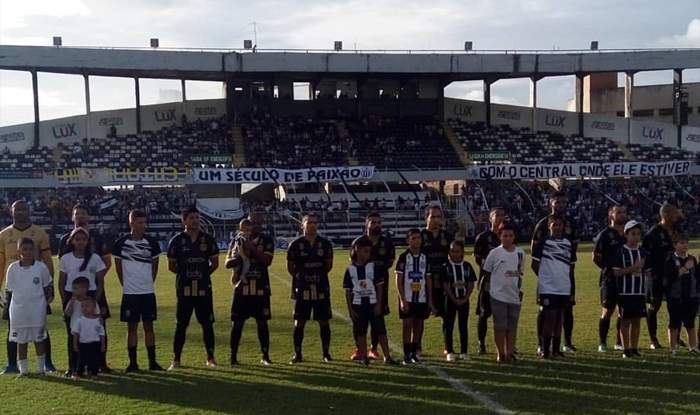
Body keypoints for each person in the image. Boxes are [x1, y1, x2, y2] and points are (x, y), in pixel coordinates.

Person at [0, 200, 56, 374]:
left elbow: (47, 261)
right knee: (13, 328)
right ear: (12, 212)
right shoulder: (3, 234)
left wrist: (49, 286)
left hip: (36, 288)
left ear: (29, 211)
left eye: (24, 209)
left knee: (41, 328)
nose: (20, 212)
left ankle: (47, 363)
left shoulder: (39, 233)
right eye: (17, 209)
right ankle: (12, 365)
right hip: (15, 290)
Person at [58, 204, 112, 372]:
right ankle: (73, 366)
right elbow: (63, 275)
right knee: (73, 330)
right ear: (72, 217)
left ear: (88, 216)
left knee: (98, 326)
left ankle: (100, 364)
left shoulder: (97, 238)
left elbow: (105, 264)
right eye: (77, 214)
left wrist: (94, 292)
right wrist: (65, 298)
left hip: (93, 291)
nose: (80, 216)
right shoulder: (64, 241)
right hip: (72, 293)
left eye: (83, 213)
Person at [167, 207, 219, 370]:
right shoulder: (176, 240)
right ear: (184, 220)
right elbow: (171, 266)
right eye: (191, 218)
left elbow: (215, 264)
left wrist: (201, 274)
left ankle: (210, 358)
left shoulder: (208, 239)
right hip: (184, 289)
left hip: (204, 288)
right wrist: (186, 275)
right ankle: (176, 360)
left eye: (197, 217)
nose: (195, 220)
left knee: (207, 324)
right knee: (181, 325)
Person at [113, 209, 164, 372]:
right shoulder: (121, 243)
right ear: (131, 223)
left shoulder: (152, 243)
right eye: (140, 222)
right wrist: (126, 285)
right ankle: (133, 363)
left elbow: (155, 266)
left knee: (149, 327)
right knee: (132, 328)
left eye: (144, 222)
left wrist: (148, 283)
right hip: (130, 293)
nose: (143, 225)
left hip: (147, 292)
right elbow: (118, 268)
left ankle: (152, 362)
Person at [531, 191, 579, 353]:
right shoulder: (543, 224)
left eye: (563, 202)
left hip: (565, 278)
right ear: (550, 203)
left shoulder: (571, 223)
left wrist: (564, 275)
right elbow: (534, 256)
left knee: (567, 310)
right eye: (557, 202)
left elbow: (572, 254)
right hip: (548, 280)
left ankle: (567, 342)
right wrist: (546, 276)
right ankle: (541, 344)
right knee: (545, 311)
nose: (560, 205)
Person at [226, 213, 274, 366]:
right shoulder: (236, 240)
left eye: (258, 223)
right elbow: (227, 263)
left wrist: (251, 248)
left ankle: (265, 356)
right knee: (237, 324)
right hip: (242, 289)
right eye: (252, 223)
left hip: (261, 288)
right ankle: (233, 357)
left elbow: (267, 261)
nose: (255, 226)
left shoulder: (266, 240)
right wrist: (242, 256)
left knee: (262, 323)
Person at [287, 213, 334, 364]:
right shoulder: (295, 244)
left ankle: (326, 353)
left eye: (314, 222)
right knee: (299, 321)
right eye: (309, 222)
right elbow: (291, 268)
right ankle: (297, 354)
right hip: (302, 288)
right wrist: (303, 277)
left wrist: (316, 275)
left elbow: (328, 265)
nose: (312, 225)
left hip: (321, 287)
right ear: (303, 225)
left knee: (324, 321)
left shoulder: (325, 244)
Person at [343, 236, 395, 366]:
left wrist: (379, 304)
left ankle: (387, 356)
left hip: (373, 305)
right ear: (357, 250)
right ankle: (364, 357)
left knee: (381, 331)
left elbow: (379, 287)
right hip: (358, 306)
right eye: (365, 251)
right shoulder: (350, 270)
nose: (368, 254)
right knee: (361, 332)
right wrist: (350, 309)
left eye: (369, 251)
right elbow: (348, 292)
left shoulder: (374, 267)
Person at [5, 238, 53, 377]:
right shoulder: (13, 268)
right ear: (19, 251)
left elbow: (47, 287)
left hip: (37, 309)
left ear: (35, 251)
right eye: (24, 249)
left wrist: (47, 302)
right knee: (21, 341)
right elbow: (9, 291)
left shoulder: (41, 267)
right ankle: (23, 371)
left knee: (39, 339)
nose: (27, 252)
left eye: (30, 249)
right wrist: (7, 310)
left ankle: (40, 369)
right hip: (19, 310)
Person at [483, 222, 525, 363]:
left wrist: (520, 290)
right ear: (499, 236)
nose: (507, 238)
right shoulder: (494, 253)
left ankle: (510, 352)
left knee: (512, 327)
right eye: (504, 235)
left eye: (510, 235)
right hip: (498, 295)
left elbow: (520, 274)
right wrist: (491, 289)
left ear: (514, 237)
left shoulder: (520, 253)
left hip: (514, 295)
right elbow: (487, 273)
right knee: (500, 326)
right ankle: (501, 354)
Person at [642, 203, 683, 349]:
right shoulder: (653, 233)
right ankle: (653, 340)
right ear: (665, 215)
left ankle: (676, 337)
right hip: (657, 277)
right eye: (674, 214)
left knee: (676, 306)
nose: (677, 216)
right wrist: (650, 274)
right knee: (654, 306)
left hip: (674, 275)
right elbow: (644, 256)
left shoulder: (677, 230)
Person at [612, 220, 650, 359]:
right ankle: (626, 349)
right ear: (626, 235)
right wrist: (633, 268)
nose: (636, 237)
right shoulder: (621, 252)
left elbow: (647, 271)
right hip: (625, 292)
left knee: (637, 321)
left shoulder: (643, 252)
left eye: (638, 234)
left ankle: (634, 348)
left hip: (639, 292)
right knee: (626, 321)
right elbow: (616, 272)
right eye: (633, 234)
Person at [420, 205, 454, 357]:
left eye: (439, 216)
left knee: (447, 315)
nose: (436, 219)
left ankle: (448, 347)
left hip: (443, 281)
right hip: (423, 282)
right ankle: (417, 347)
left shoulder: (447, 236)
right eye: (433, 216)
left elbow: (453, 257)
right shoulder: (420, 236)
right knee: (420, 316)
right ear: (426, 217)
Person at [593, 204, 627, 353]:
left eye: (624, 212)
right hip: (610, 280)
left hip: (626, 278)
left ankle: (619, 342)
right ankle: (602, 342)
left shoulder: (628, 233)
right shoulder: (605, 234)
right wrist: (608, 269)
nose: (622, 215)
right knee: (607, 311)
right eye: (619, 212)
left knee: (623, 312)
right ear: (611, 216)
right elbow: (595, 257)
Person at [396, 228, 432, 365]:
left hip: (421, 298)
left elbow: (428, 279)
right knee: (407, 325)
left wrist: (430, 299)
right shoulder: (404, 257)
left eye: (419, 238)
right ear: (408, 240)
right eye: (413, 238)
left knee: (418, 324)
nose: (417, 240)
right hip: (408, 298)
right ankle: (406, 353)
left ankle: (414, 351)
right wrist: (402, 299)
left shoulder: (425, 256)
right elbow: (398, 279)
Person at [474, 207, 505, 355]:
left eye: (502, 215)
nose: (499, 218)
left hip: (504, 282)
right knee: (484, 313)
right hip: (488, 280)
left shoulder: (507, 235)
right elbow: (478, 259)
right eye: (496, 215)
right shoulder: (483, 237)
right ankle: (481, 343)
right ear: (490, 218)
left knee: (503, 314)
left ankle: (505, 344)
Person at [662, 234, 699, 355]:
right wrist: (683, 269)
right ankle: (672, 348)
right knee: (674, 323)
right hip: (675, 297)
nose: (684, 245)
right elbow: (668, 278)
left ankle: (693, 346)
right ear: (674, 245)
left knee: (690, 323)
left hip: (691, 296)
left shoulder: (692, 259)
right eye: (681, 243)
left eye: (685, 242)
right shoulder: (670, 259)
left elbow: (696, 277)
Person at [441, 240, 476, 362]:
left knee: (463, 326)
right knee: (448, 325)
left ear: (462, 252)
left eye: (457, 251)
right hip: (450, 300)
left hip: (463, 300)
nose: (454, 254)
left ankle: (464, 351)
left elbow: (471, 283)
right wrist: (453, 298)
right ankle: (449, 351)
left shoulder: (467, 266)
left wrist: (465, 298)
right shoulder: (446, 267)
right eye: (452, 251)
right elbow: (445, 284)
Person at [64, 277, 99, 376]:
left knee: (87, 353)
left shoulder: (91, 302)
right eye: (73, 288)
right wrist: (71, 302)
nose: (73, 291)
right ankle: (73, 369)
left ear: (84, 289)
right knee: (74, 351)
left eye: (76, 288)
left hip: (88, 333)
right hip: (75, 332)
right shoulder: (72, 301)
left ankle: (89, 370)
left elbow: (97, 315)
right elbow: (67, 313)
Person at [71, 297, 106, 379]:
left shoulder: (98, 320)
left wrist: (103, 344)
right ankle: (79, 373)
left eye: (87, 306)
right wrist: (75, 344)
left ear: (94, 308)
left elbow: (102, 334)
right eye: (82, 306)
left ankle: (93, 373)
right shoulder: (79, 320)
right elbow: (76, 333)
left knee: (94, 359)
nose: (84, 308)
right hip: (83, 343)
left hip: (95, 343)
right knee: (81, 360)